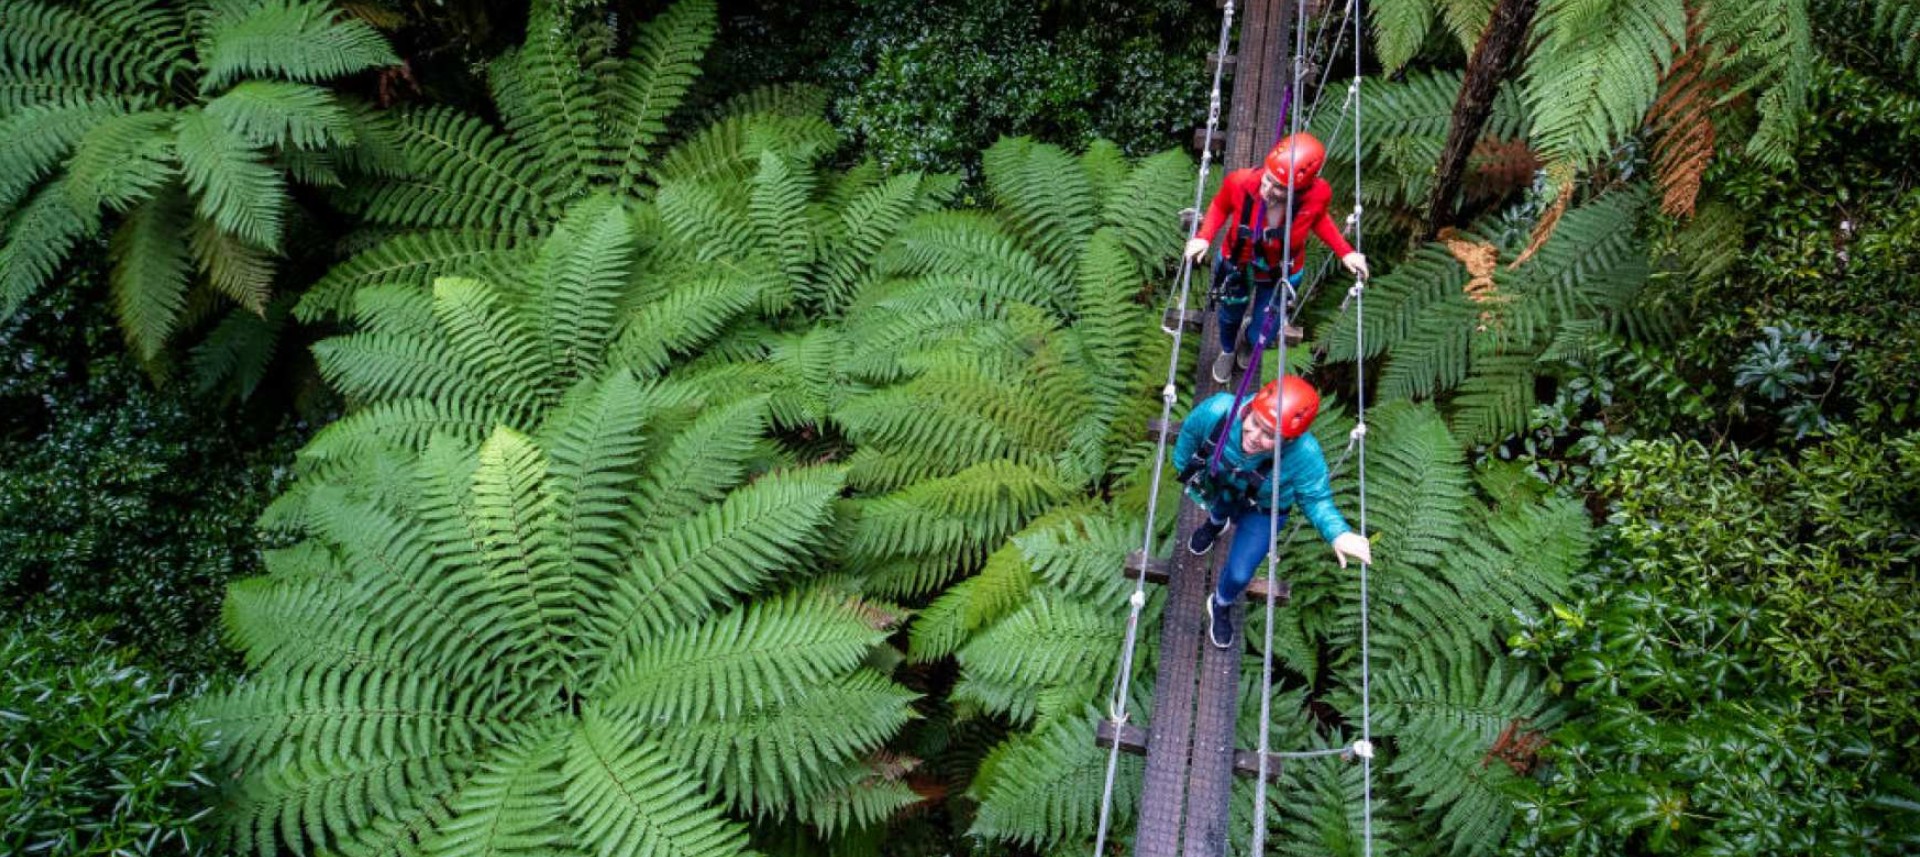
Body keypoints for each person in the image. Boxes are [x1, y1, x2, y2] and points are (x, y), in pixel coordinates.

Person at [1172, 375, 1373, 648]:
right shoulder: (1218, 411)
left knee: (1241, 573)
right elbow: (1190, 434)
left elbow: (1315, 498)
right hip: (1222, 482)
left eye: (1270, 436)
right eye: (1255, 422)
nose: (1254, 437)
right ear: (1252, 407)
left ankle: (1220, 603)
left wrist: (1337, 533)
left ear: (1291, 439)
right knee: (1219, 507)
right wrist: (1185, 469)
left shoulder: (1305, 455)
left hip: (1264, 509)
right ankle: (1214, 525)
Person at [1184, 133, 1369, 382]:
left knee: (1267, 328)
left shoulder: (1317, 195)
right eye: (1268, 180)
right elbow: (1220, 206)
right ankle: (1227, 351)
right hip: (1237, 263)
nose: (1267, 190)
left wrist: (1345, 252)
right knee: (1229, 315)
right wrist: (1204, 236)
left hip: (1282, 270)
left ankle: (1250, 342)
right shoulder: (1240, 182)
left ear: (1300, 189)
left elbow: (1319, 219)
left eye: (1279, 188)